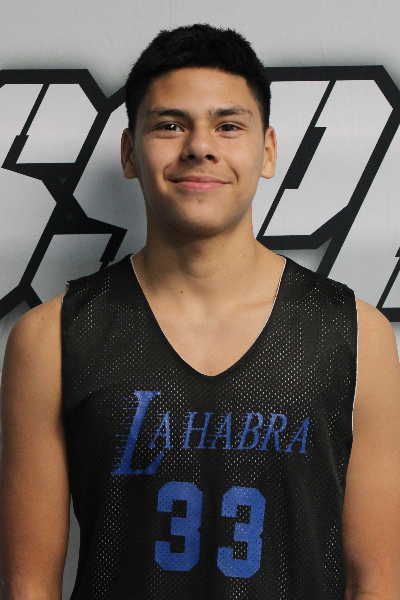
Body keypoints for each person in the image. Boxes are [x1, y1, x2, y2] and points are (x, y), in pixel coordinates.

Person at [1, 23, 400, 600]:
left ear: (267, 150)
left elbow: (378, 581)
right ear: (129, 152)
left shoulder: (356, 333)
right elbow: (28, 586)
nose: (199, 146)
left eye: (228, 125)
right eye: (170, 125)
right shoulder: (51, 338)